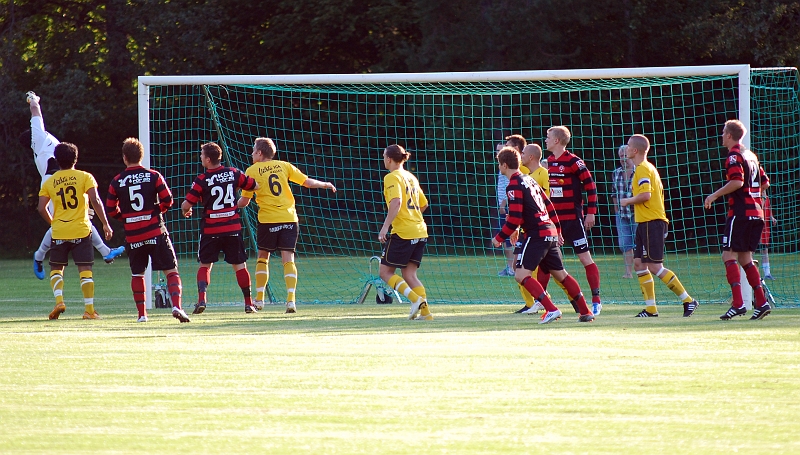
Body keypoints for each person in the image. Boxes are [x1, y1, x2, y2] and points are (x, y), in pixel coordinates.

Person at [25, 92, 124, 280]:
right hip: (54, 180)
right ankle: (39, 255)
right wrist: (33, 98)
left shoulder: (45, 140)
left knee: (81, 217)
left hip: (63, 177)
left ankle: (105, 251)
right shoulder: (38, 137)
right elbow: (35, 109)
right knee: (64, 222)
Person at [492, 147, 595, 324]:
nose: (499, 167)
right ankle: (585, 311)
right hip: (549, 230)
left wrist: (499, 238)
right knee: (561, 274)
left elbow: (515, 218)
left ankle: (551, 309)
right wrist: (557, 230)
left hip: (536, 234)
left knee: (520, 274)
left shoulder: (514, 184)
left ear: (504, 165)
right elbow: (549, 206)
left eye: (499, 164)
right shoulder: (530, 180)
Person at [237, 137, 337, 313]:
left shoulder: (251, 171)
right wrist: (325, 184)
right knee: (288, 259)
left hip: (268, 220)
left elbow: (244, 201)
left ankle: (259, 300)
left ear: (259, 153)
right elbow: (307, 182)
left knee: (263, 257)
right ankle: (291, 300)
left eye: (253, 151)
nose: (251, 154)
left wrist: (228, 205)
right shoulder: (284, 166)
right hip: (289, 218)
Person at [105, 138, 191, 323]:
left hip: (133, 235)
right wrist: (155, 212)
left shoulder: (117, 181)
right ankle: (177, 306)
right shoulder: (153, 176)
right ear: (141, 156)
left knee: (138, 274)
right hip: (155, 232)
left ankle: (142, 315)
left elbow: (111, 208)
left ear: (124, 157)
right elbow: (168, 199)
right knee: (171, 271)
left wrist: (127, 218)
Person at [620, 135, 699, 317]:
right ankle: (651, 309)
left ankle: (688, 300)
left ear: (635, 150)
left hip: (652, 222)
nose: (625, 149)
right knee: (639, 264)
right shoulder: (644, 168)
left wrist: (627, 201)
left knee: (655, 266)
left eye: (628, 146)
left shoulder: (643, 169)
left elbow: (646, 195)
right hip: (644, 223)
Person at [703, 120, 771, 320]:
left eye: (723, 132)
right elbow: (765, 183)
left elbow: (737, 181)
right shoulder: (751, 156)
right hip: (756, 213)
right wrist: (754, 196)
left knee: (728, 255)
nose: (721, 136)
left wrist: (714, 195)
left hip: (740, 213)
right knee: (745, 258)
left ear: (729, 135)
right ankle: (762, 302)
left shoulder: (734, 156)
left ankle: (738, 304)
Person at [181, 142, 259, 315]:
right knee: (240, 266)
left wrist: (186, 211)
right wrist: (236, 188)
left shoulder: (202, 180)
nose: (200, 157)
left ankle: (202, 300)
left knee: (205, 265)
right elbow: (254, 185)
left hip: (210, 230)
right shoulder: (233, 173)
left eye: (202, 155)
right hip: (232, 228)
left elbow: (186, 204)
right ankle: (248, 304)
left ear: (208, 159)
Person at [37, 142, 113, 320]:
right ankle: (89, 310)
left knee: (56, 268)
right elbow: (95, 200)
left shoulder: (50, 181)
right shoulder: (85, 177)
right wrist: (105, 224)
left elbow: (41, 208)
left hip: (59, 231)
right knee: (85, 269)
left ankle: (59, 301)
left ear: (57, 160)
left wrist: (54, 223)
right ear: (75, 159)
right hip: (81, 230)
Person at [544, 126, 602, 315]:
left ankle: (596, 300)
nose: (545, 140)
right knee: (547, 261)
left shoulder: (574, 161)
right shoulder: (548, 162)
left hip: (573, 220)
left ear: (557, 141)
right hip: (554, 223)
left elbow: (591, 187)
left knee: (585, 258)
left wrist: (591, 213)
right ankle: (542, 301)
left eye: (548, 137)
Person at [378, 144, 432, 321]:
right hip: (420, 230)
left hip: (404, 233)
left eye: (384, 156)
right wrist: (412, 217)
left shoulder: (391, 177)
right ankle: (426, 313)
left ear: (389, 159)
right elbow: (424, 204)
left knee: (385, 272)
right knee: (409, 274)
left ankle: (415, 300)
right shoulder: (410, 177)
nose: (383, 159)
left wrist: (385, 227)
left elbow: (396, 202)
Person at [513, 143, 549, 314]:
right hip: (524, 228)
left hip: (539, 228)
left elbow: (547, 202)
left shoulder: (543, 174)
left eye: (522, 152)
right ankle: (531, 303)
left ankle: (540, 301)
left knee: (549, 270)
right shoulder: (524, 175)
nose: (520, 155)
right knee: (518, 265)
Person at [611, 145, 637, 279]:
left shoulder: (639, 171)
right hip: (621, 214)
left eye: (625, 156)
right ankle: (628, 272)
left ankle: (642, 270)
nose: (623, 159)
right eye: (621, 156)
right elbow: (613, 193)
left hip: (637, 213)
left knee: (640, 242)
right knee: (624, 243)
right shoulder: (616, 173)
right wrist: (616, 210)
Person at [758, 169, 777, 280]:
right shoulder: (755, 194)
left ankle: (767, 273)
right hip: (756, 223)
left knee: (764, 249)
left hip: (765, 225)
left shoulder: (765, 195)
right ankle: (749, 271)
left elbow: (768, 207)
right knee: (751, 249)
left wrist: (771, 217)